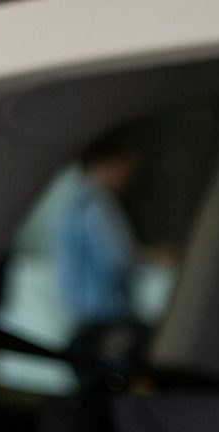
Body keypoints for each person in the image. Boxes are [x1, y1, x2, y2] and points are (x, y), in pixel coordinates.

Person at [56, 130, 145, 329]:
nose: (128, 176)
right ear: (110, 163)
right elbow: (117, 259)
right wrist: (152, 257)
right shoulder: (98, 206)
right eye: (126, 166)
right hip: (105, 315)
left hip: (84, 315)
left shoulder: (77, 201)